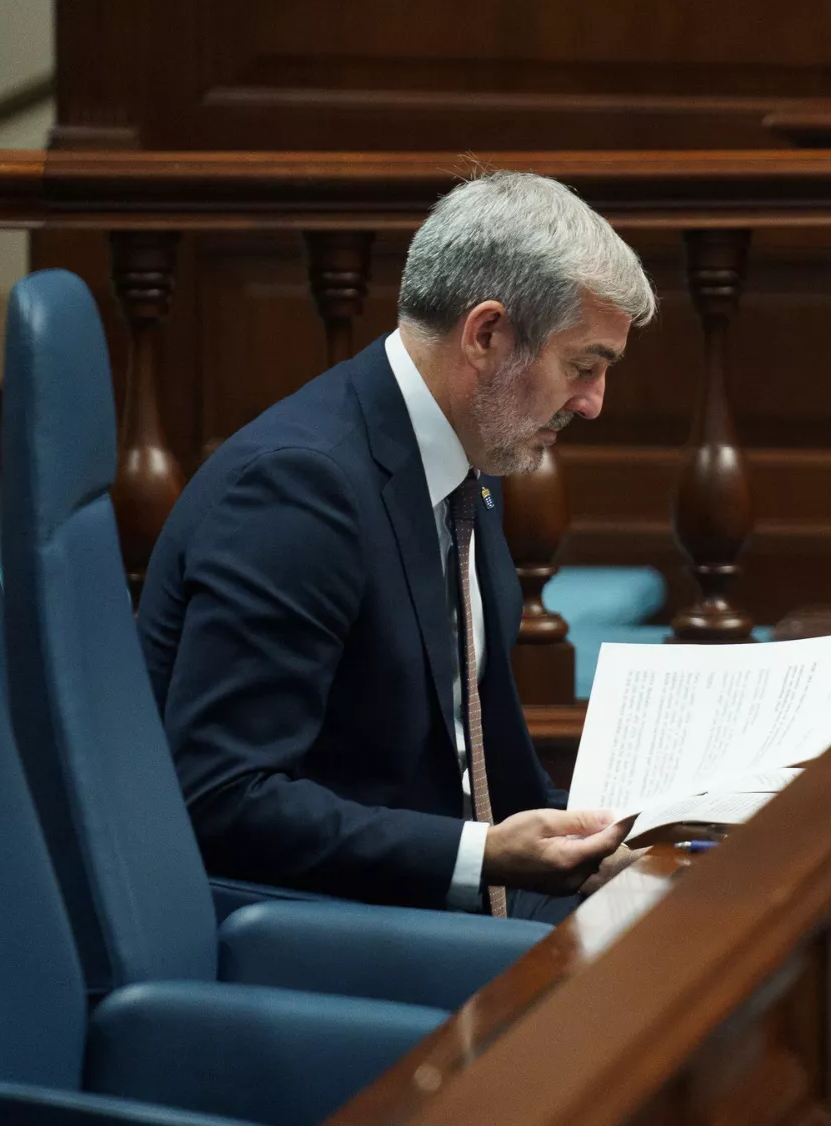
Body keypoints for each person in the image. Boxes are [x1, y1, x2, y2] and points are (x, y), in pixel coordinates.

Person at [138, 171, 655, 922]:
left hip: (437, 897)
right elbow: (222, 797)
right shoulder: (298, 490)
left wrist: (604, 840)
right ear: (486, 335)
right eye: (583, 365)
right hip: (314, 930)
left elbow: (489, 762)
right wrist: (485, 854)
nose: (593, 403)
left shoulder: (471, 453)